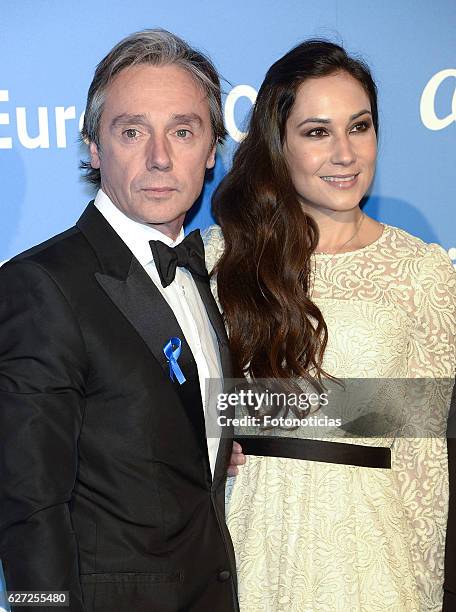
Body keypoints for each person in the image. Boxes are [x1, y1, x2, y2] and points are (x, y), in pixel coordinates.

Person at [204, 40, 456, 611]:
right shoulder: (219, 257)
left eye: (360, 126)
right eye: (317, 132)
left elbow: (424, 459)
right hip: (243, 541)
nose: (345, 153)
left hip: (369, 554)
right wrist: (216, 427)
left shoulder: (422, 270)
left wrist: (422, 588)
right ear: (279, 143)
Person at [0, 29, 240, 612]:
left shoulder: (206, 270)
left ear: (211, 150)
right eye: (132, 131)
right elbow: (28, 507)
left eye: (183, 131)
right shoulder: (42, 284)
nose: (160, 157)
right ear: (93, 146)